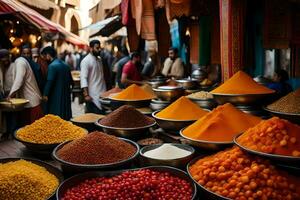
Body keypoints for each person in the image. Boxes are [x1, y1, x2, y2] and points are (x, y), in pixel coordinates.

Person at [8, 49, 43, 125]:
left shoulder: (20, 62)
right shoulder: (25, 61)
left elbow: (19, 80)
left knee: (33, 130)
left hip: (32, 102)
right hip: (31, 101)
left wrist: (10, 96)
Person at [41, 46, 72, 120]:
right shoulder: (66, 65)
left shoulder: (52, 66)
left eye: (44, 57)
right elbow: (71, 82)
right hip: (66, 95)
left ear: (48, 55)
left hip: (56, 96)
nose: (44, 59)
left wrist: (45, 95)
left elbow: (49, 81)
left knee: (56, 117)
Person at [80, 40, 107, 114]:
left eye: (99, 48)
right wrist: (86, 95)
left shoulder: (99, 60)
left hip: (102, 93)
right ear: (91, 48)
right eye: (97, 48)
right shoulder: (86, 61)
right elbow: (83, 78)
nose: (99, 50)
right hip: (92, 96)